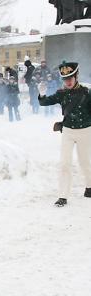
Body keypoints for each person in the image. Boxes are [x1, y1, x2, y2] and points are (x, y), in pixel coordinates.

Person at [38, 61, 91, 207]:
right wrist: (42, 94)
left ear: (76, 77)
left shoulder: (87, 92)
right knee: (64, 164)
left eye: (70, 78)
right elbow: (44, 102)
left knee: (84, 162)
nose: (67, 81)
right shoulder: (61, 93)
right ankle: (63, 196)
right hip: (67, 131)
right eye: (65, 79)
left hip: (85, 131)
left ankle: (89, 186)